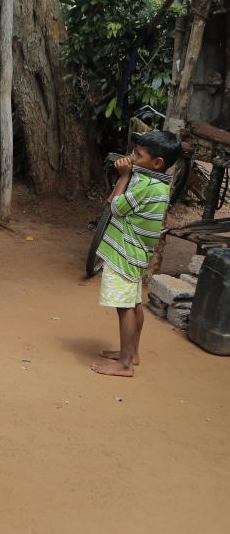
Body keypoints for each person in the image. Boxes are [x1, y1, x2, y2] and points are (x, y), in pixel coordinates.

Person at [91, 130, 182, 377]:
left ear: (157, 163)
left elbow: (114, 206)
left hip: (125, 254)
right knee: (133, 302)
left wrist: (124, 176)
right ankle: (132, 353)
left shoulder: (145, 184)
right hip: (137, 254)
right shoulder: (160, 182)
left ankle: (124, 364)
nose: (132, 156)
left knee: (124, 308)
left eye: (138, 154)